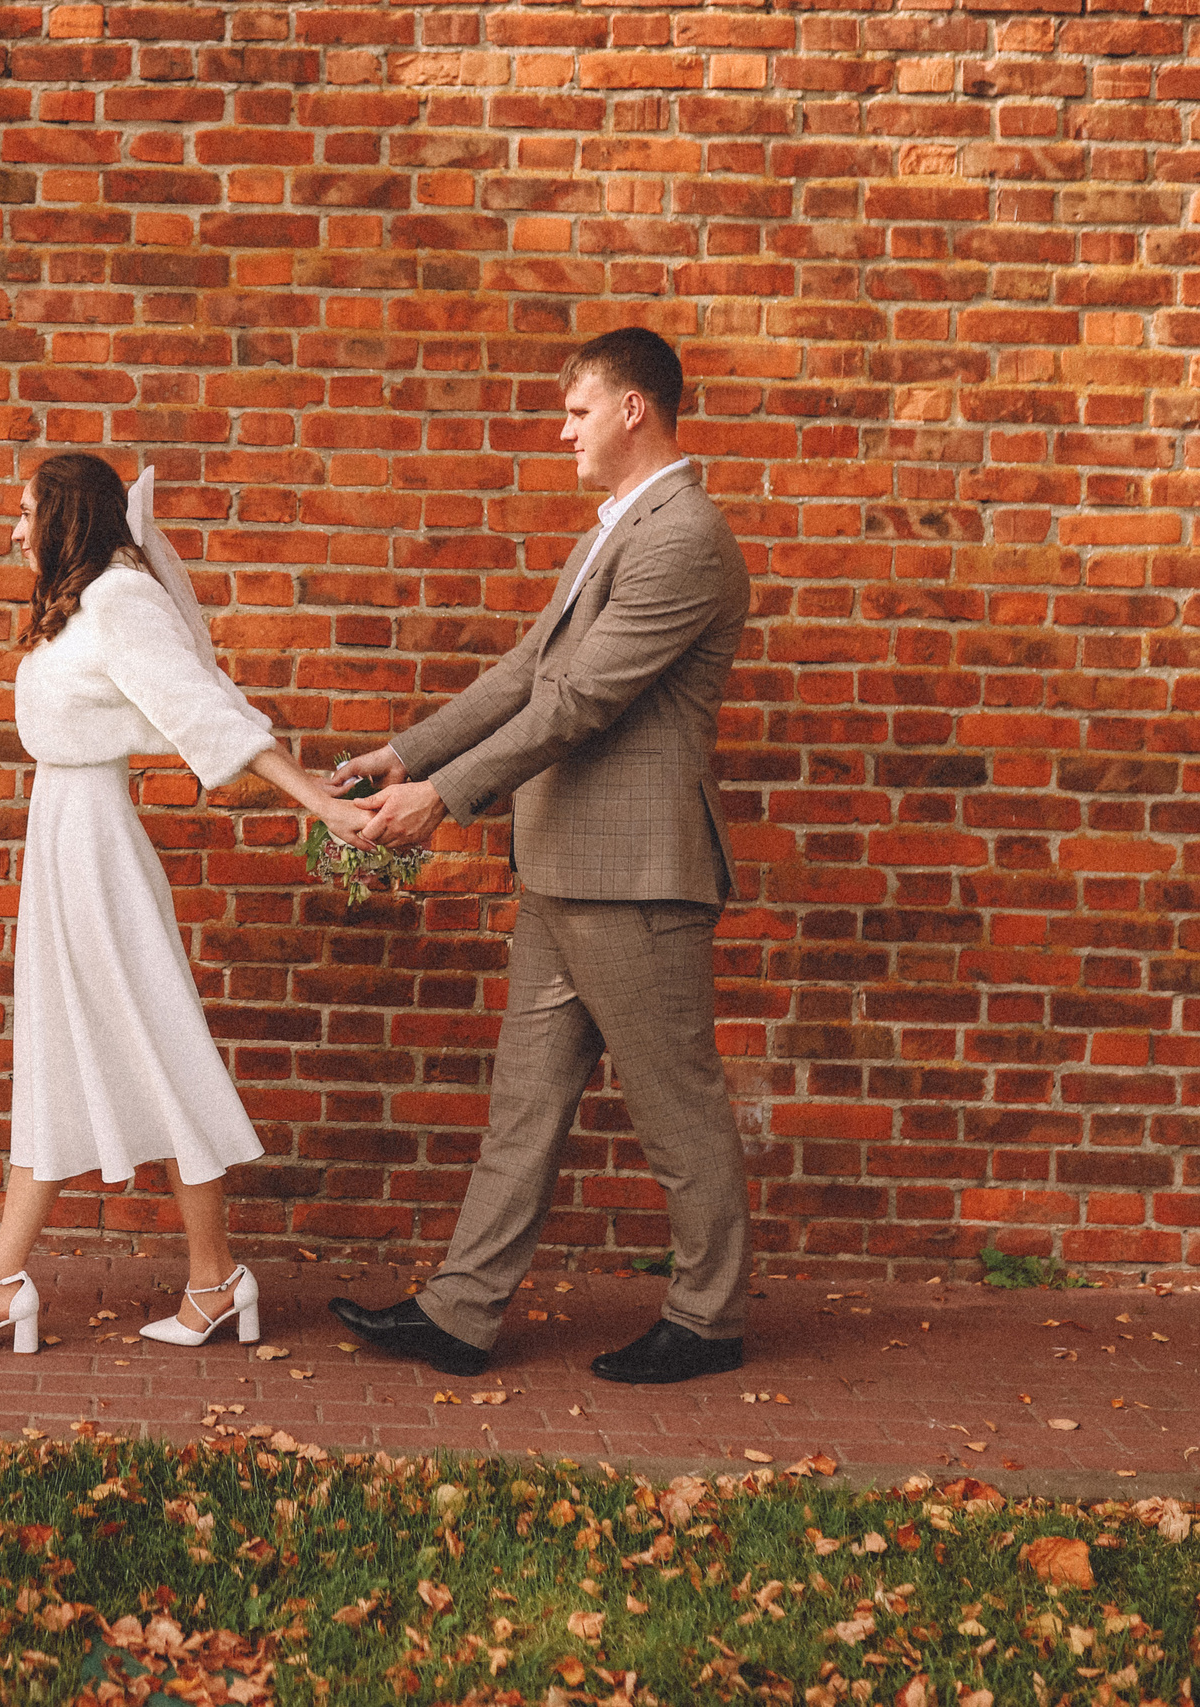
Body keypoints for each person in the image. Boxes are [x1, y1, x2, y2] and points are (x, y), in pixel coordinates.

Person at [325, 327, 756, 1385]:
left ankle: (708, 1318)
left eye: (574, 411)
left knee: (676, 1110)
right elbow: (528, 670)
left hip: (637, 879)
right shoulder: (617, 530)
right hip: (564, 870)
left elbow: (578, 702)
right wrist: (403, 751)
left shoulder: (681, 536)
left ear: (631, 410)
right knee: (522, 1107)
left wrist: (444, 796)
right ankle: (460, 1313)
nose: (561, 431)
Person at [0, 454, 376, 1357]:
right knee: (61, 1052)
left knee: (155, 1046)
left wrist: (317, 800)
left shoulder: (120, 602)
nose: (14, 533)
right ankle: (172, 1280)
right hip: (62, 841)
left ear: (68, 518)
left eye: (24, 514)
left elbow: (203, 710)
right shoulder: (87, 601)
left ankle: (55, 1283)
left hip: (95, 851)